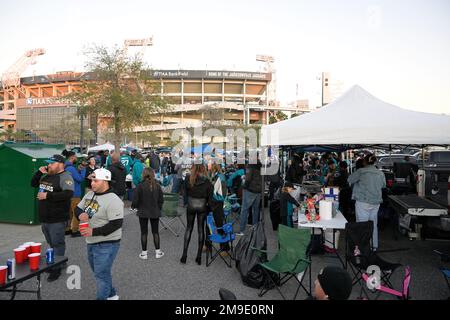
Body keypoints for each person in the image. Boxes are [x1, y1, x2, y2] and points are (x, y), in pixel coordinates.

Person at [76, 168, 124, 300]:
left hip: (107, 244)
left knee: (101, 275)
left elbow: (116, 224)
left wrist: (93, 231)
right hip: (91, 242)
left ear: (105, 181)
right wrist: (81, 214)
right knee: (101, 273)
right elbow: (78, 208)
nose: (92, 183)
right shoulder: (90, 194)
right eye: (92, 180)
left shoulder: (113, 200)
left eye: (96, 180)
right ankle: (112, 294)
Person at [30, 154, 74, 282]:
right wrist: (39, 172)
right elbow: (33, 183)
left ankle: (57, 268)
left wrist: (48, 196)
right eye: (48, 163)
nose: (48, 165)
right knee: (51, 242)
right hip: (45, 217)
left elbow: (68, 194)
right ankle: (58, 262)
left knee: (57, 243)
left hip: (57, 217)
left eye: (51, 163)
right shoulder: (47, 175)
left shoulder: (66, 176)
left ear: (60, 164)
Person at [347, 153, 386, 250]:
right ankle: (374, 246)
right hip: (376, 202)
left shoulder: (361, 171)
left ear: (365, 161)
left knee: (362, 225)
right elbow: (383, 185)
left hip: (363, 201)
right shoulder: (380, 173)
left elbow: (350, 179)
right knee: (373, 224)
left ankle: (362, 247)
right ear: (374, 162)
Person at [180, 164, 213, 265]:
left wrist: (186, 202)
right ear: (203, 169)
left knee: (189, 228)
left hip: (191, 204)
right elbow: (210, 196)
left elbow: (184, 192)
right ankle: (198, 256)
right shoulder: (207, 181)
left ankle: (184, 254)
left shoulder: (188, 178)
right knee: (200, 230)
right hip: (202, 205)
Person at [132, 168, 164, 260]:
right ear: (153, 174)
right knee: (155, 232)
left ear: (143, 174)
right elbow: (161, 200)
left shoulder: (140, 186)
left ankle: (144, 253)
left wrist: (136, 207)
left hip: (142, 212)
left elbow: (135, 201)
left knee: (144, 232)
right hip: (155, 211)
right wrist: (158, 208)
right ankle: (158, 252)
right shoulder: (157, 186)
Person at [63, 150, 86, 237]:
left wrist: (78, 170)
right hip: (74, 194)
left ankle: (67, 229)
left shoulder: (65, 166)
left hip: (66, 193)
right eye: (75, 157)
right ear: (72, 157)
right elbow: (80, 179)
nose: (76, 158)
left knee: (69, 213)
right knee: (76, 212)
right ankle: (75, 230)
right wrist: (83, 170)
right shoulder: (71, 168)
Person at [238, 161, 262, 235]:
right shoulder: (259, 166)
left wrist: (244, 185)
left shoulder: (250, 166)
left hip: (250, 190)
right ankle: (255, 228)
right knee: (256, 210)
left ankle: (242, 230)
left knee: (244, 210)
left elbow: (248, 179)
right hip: (258, 190)